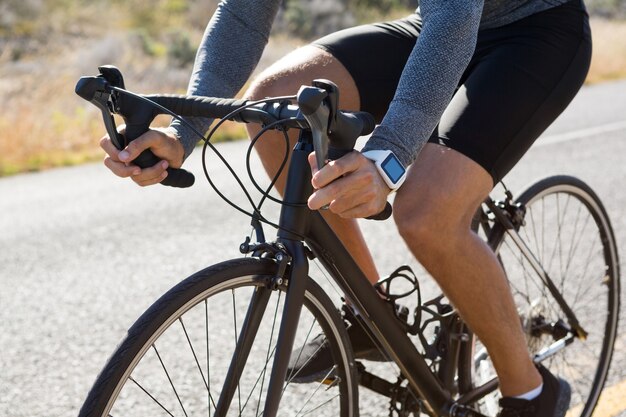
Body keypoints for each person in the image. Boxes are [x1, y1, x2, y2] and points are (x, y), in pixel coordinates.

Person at [100, 1, 592, 416]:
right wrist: (182, 132)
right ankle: (373, 316)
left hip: (534, 31)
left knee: (425, 213)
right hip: (434, 24)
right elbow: (246, 16)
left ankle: (532, 392)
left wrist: (387, 158)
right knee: (277, 107)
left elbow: (455, 21)